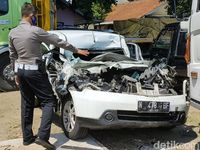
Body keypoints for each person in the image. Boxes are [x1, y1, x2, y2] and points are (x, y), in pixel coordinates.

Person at [8, 2, 89, 150]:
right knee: (48, 101)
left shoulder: (12, 33)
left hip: (20, 70)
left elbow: (12, 55)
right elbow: (57, 41)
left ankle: (27, 138)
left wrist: (16, 74)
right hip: (34, 70)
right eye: (35, 17)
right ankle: (43, 137)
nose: (36, 19)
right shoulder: (35, 31)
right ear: (31, 16)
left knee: (27, 103)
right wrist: (77, 50)